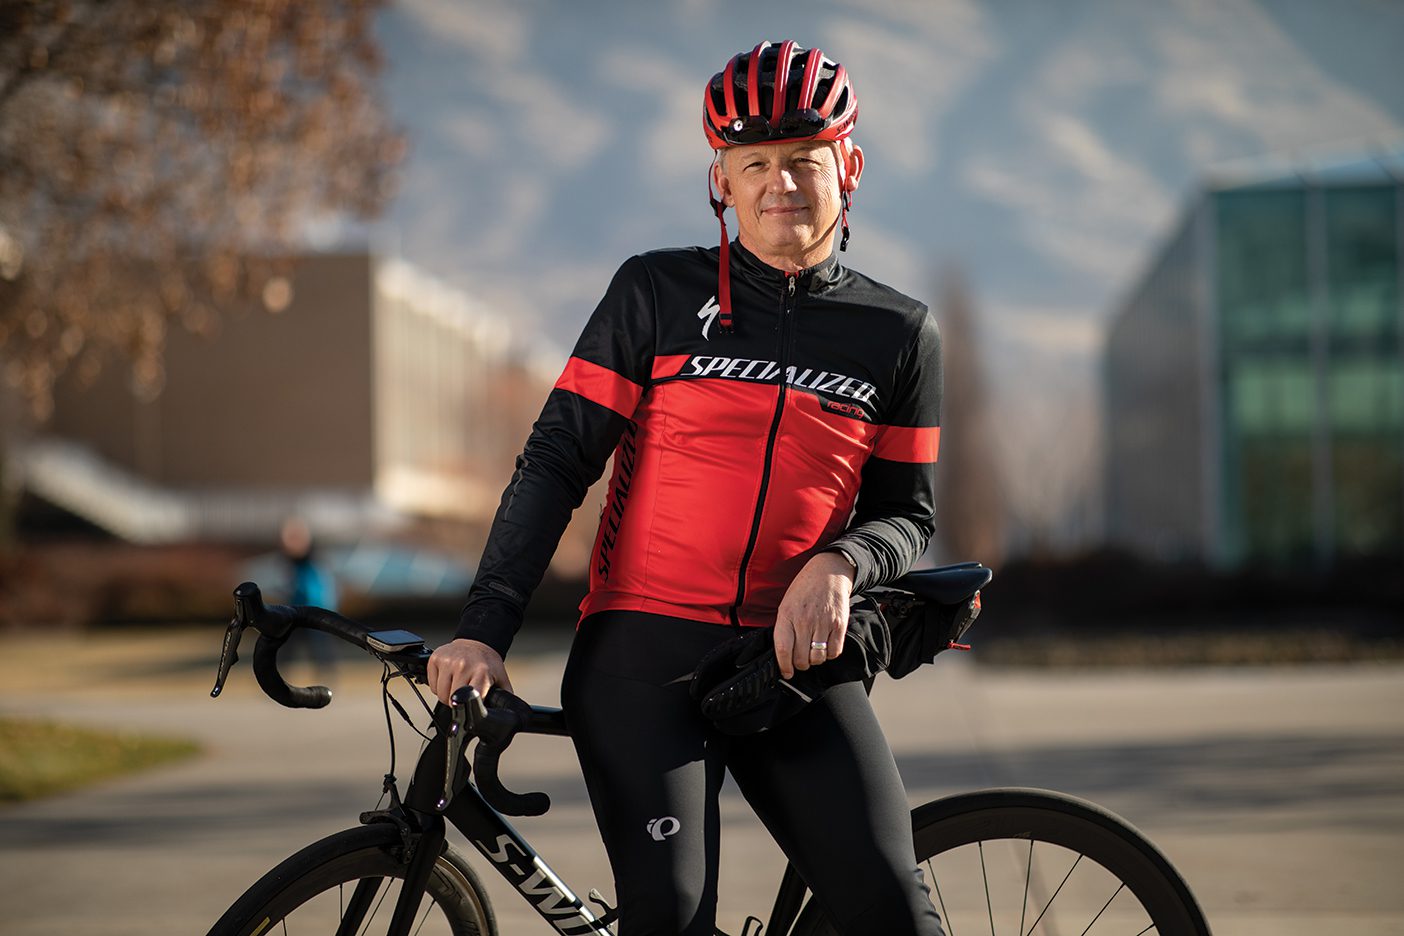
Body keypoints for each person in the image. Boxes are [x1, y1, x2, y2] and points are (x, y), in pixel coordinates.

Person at [429, 40, 944, 935]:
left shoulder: (898, 333)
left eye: (804, 161)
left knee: (893, 911)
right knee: (669, 919)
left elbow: (909, 514)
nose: (780, 183)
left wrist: (841, 562)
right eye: (756, 164)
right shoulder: (654, 295)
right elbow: (556, 461)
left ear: (848, 167)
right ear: (723, 179)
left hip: (793, 661)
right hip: (642, 653)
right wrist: (484, 630)